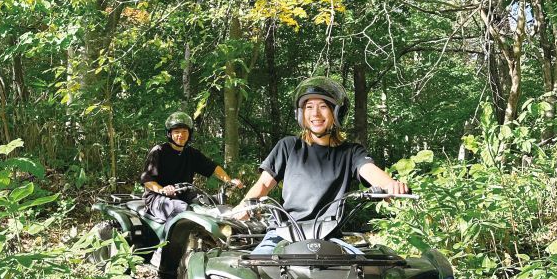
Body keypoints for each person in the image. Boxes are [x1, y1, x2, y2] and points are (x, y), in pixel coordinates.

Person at [233, 76, 408, 254]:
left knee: (366, 271)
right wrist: (244, 206)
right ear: (301, 114)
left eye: (323, 107)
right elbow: (263, 184)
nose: (315, 114)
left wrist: (390, 185)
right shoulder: (289, 146)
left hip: (329, 235)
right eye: (309, 107)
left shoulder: (350, 152)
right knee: (255, 268)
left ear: (336, 113)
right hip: (283, 232)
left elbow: (368, 170)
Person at [140, 111, 243, 222]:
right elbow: (147, 180)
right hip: (157, 198)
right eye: (177, 132)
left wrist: (229, 181)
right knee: (182, 209)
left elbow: (214, 168)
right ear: (169, 134)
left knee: (211, 202)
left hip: (183, 194)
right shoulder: (159, 151)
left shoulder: (191, 153)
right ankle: (173, 239)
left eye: (185, 131)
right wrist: (163, 190)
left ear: (189, 133)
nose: (181, 135)